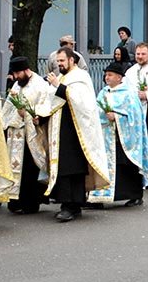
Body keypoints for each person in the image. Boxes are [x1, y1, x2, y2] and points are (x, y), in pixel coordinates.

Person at [44, 47, 110, 222]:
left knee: (72, 168)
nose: (59, 64)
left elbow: (82, 102)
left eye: (62, 61)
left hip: (76, 130)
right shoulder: (61, 77)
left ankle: (71, 205)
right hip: (60, 129)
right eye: (58, 61)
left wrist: (59, 87)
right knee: (64, 167)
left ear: (71, 60)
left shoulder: (80, 77)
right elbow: (51, 100)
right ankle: (70, 203)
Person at [87, 62, 148, 207]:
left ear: (119, 77)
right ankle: (101, 197)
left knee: (126, 167)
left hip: (124, 139)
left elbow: (135, 117)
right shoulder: (103, 92)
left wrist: (116, 117)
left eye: (110, 75)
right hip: (106, 137)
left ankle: (134, 195)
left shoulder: (129, 94)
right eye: (106, 75)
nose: (107, 78)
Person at [1, 57, 52, 214]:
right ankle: (15, 202)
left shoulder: (40, 85)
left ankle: (30, 204)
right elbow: (8, 108)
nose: (16, 77)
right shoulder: (17, 84)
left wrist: (29, 115)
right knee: (15, 167)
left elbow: (45, 108)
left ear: (25, 70)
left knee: (30, 170)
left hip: (31, 135)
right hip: (15, 135)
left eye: (17, 73)